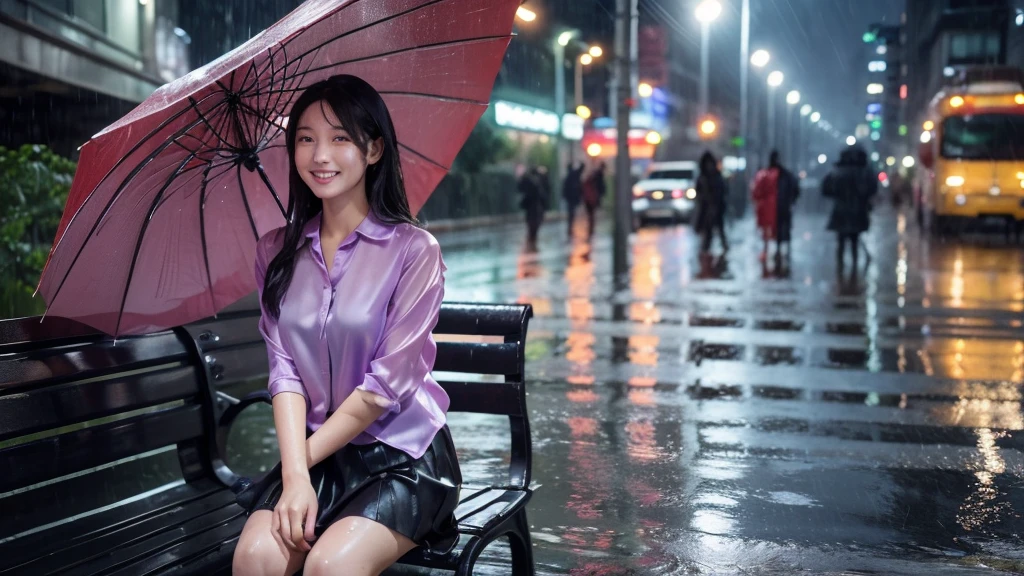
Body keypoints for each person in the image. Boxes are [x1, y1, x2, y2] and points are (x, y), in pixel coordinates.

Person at [233, 75, 462, 576]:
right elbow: (285, 373)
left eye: (340, 138)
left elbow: (383, 390)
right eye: (306, 138)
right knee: (255, 559)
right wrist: (296, 473)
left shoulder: (413, 251)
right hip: (314, 454)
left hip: (401, 457)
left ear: (374, 148)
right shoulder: (275, 253)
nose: (320, 155)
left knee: (330, 567)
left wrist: (295, 469)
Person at [822, 146, 877, 272]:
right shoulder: (863, 172)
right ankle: (853, 269)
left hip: (840, 211)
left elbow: (826, 189)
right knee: (854, 241)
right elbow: (871, 189)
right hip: (857, 212)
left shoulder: (837, 172)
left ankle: (840, 268)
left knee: (841, 242)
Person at [694, 151, 728, 254]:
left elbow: (723, 190)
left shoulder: (717, 176)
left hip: (717, 206)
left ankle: (721, 248)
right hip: (706, 208)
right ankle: (706, 251)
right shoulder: (703, 177)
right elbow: (699, 191)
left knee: (720, 229)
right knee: (707, 232)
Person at [518, 164, 549, 251]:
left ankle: (532, 240)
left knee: (533, 223)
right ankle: (532, 240)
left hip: (533, 206)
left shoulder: (535, 180)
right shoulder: (533, 181)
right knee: (533, 223)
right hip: (533, 206)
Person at [581, 161, 607, 240]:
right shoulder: (597, 177)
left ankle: (591, 230)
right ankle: (591, 231)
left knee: (591, 216)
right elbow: (600, 187)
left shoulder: (592, 177)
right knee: (591, 216)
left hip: (589, 199)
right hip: (591, 199)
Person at [562, 161, 584, 238]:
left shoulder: (569, 177)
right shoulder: (573, 176)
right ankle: (570, 229)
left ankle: (570, 229)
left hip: (571, 198)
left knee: (571, 214)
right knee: (571, 214)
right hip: (572, 198)